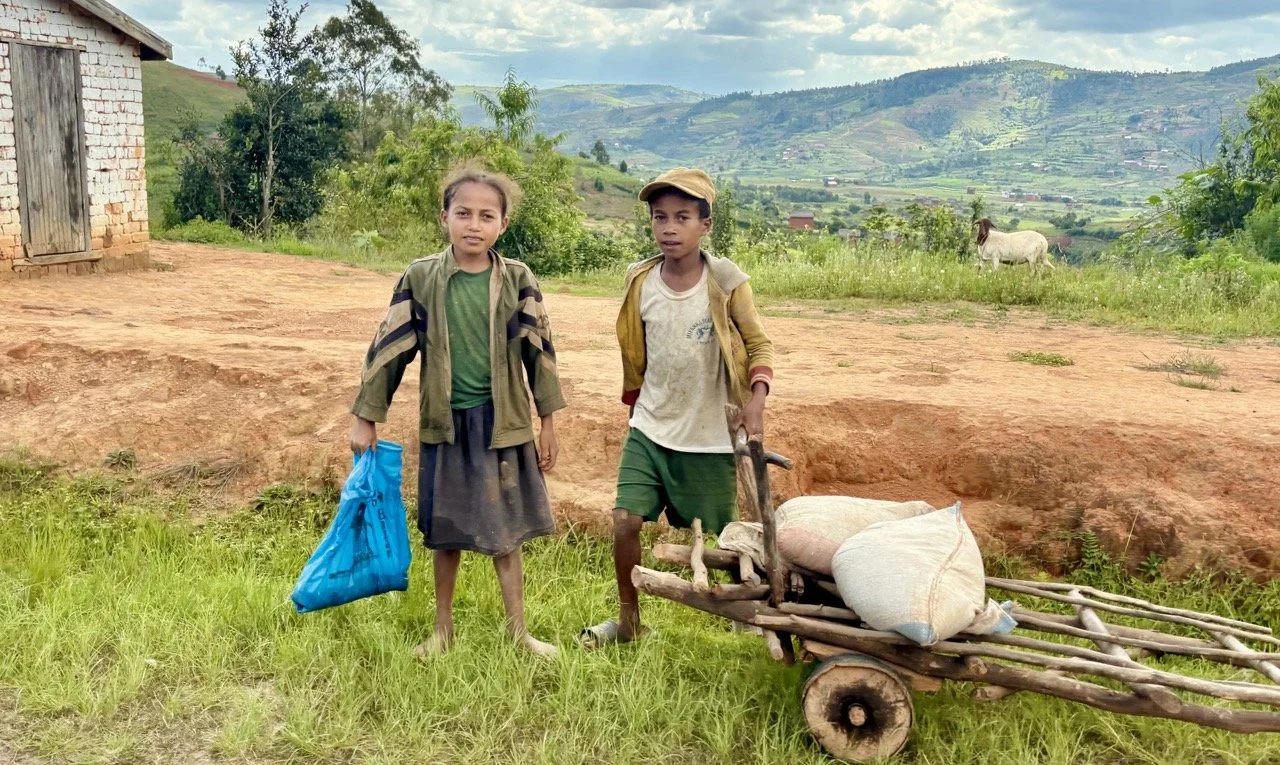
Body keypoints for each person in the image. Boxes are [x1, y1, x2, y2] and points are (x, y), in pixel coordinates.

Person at [349, 161, 565, 659]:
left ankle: (519, 634)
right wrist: (366, 414)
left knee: (506, 532)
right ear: (443, 217)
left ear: (503, 225)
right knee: (444, 532)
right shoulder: (421, 278)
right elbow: (390, 348)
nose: (474, 224)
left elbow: (541, 351)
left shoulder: (517, 279)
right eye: (463, 213)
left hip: (503, 424)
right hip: (444, 425)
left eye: (487, 216)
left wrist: (547, 422)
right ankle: (441, 631)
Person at [580, 167, 775, 647]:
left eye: (682, 217)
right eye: (660, 217)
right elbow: (636, 350)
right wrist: (634, 403)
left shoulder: (726, 282)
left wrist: (756, 401)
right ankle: (629, 622)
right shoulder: (640, 280)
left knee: (725, 543)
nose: (669, 227)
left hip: (708, 436)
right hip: (649, 425)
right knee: (625, 521)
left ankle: (743, 622)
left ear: (705, 226)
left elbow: (760, 345)